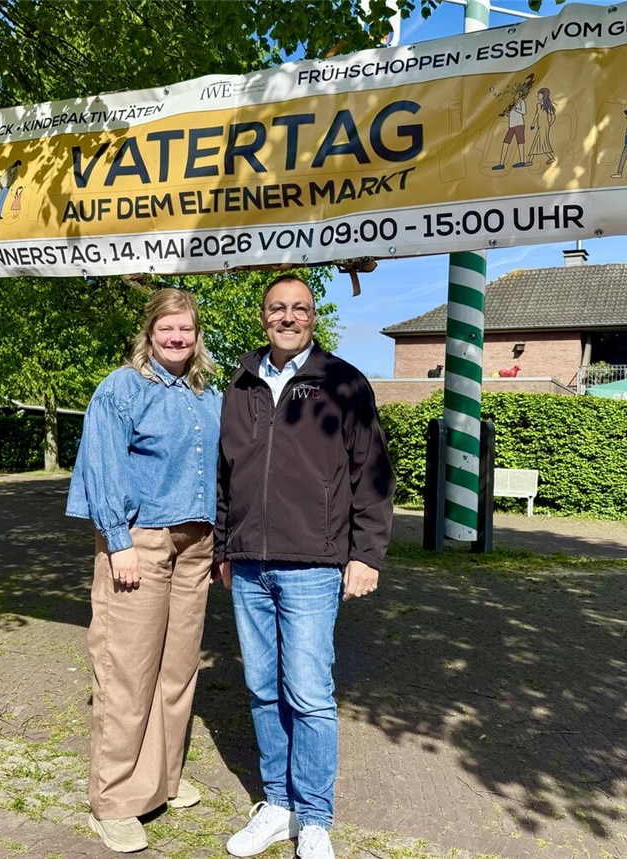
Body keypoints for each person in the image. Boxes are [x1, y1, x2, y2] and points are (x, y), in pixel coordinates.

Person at [215, 275, 395, 859]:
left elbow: (372, 474)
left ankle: (315, 817)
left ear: (313, 317)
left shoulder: (343, 382)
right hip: (248, 564)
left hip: (313, 564)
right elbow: (225, 474)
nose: (288, 317)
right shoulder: (240, 383)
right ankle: (278, 805)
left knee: (310, 693)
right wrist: (223, 547)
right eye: (277, 308)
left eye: (299, 308)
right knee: (262, 689)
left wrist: (365, 554)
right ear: (263, 316)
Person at [66, 288, 222, 853]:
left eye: (186, 329)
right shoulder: (122, 389)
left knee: (177, 671)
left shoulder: (208, 393)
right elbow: (103, 465)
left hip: (196, 544)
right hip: (140, 542)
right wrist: (118, 542)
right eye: (166, 329)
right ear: (150, 333)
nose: (177, 338)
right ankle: (113, 801)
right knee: (127, 670)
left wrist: (219, 544)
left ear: (197, 335)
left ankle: (162, 780)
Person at [529, 87, 557, 165]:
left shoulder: (547, 106)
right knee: (538, 142)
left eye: (539, 95)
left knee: (541, 142)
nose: (538, 96)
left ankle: (530, 161)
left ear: (543, 96)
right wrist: (533, 124)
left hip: (545, 126)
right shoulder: (538, 105)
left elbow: (553, 117)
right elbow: (536, 115)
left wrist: (549, 125)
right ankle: (550, 158)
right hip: (540, 126)